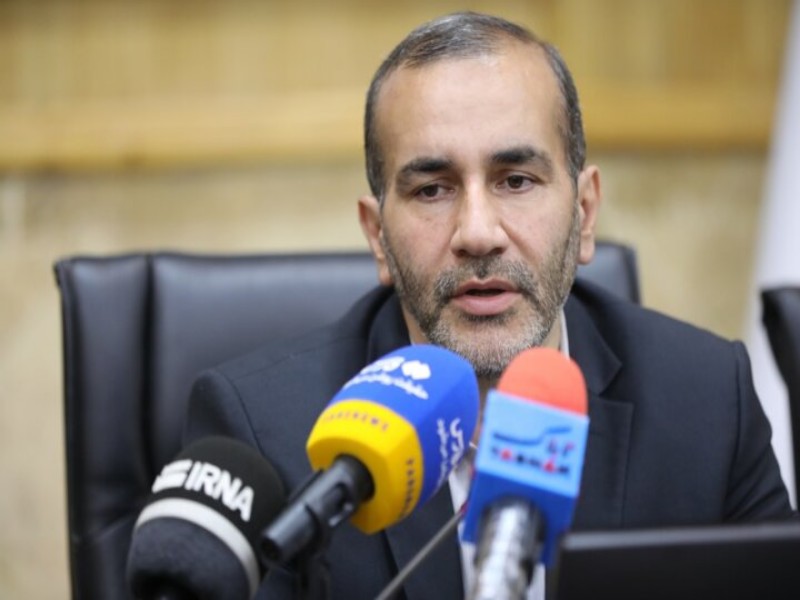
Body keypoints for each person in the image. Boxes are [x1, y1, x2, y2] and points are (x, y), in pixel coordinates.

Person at [184, 11, 795, 599]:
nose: (478, 233)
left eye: (516, 180)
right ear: (379, 238)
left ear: (584, 215)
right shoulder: (266, 434)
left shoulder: (707, 402)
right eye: (432, 189)